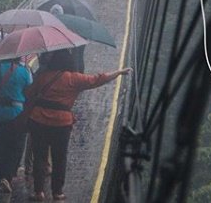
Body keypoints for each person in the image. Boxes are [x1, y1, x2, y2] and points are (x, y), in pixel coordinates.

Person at [26, 49, 132, 201]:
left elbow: (29, 93)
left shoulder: (43, 77)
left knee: (40, 157)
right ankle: (57, 192)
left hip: (38, 120)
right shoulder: (74, 79)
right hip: (61, 123)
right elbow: (97, 79)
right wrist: (119, 72)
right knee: (60, 157)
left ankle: (38, 192)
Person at [0, 58, 33, 194]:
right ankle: (10, 175)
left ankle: (3, 176)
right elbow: (30, 92)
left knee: (1, 146)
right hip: (18, 114)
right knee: (17, 145)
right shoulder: (24, 71)